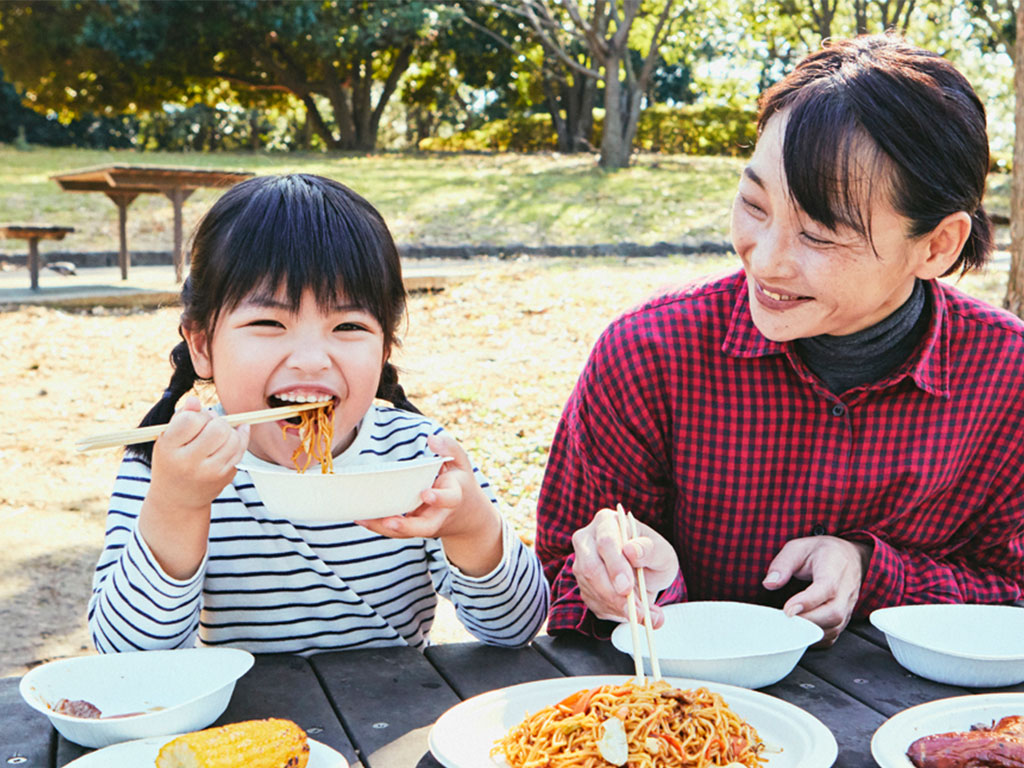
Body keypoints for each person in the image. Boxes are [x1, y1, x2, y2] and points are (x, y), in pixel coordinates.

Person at [536, 34, 1024, 647]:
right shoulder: (650, 354)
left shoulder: (1007, 377)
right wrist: (627, 581)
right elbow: (558, 581)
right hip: (681, 725)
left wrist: (871, 570)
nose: (765, 262)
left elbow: (1013, 596)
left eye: (819, 235)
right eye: (754, 204)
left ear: (937, 246)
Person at [88, 173, 548, 655]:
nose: (311, 358)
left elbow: (516, 629)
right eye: (269, 323)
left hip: (394, 718)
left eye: (347, 325)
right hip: (242, 726)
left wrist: (470, 525)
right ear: (202, 345)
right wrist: (178, 506)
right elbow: (126, 658)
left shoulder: (417, 457)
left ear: (385, 346)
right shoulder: (168, 469)